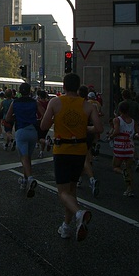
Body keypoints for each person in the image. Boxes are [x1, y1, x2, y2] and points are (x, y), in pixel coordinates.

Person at [40, 73, 103, 241]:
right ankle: (66, 227)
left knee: (62, 192)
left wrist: (56, 118)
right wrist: (85, 128)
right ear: (78, 86)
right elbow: (98, 128)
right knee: (72, 190)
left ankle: (79, 213)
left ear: (64, 86)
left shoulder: (55, 102)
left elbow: (44, 125)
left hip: (62, 150)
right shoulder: (88, 105)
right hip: (79, 150)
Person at [6, 82, 44, 198]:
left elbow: (8, 117)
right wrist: (36, 120)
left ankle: (30, 178)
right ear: (30, 91)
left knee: (24, 157)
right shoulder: (35, 102)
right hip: (33, 131)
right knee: (28, 158)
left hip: (21, 131)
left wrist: (16, 116)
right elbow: (43, 114)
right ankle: (24, 180)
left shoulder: (15, 102)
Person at [109, 101, 139, 197]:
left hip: (120, 147)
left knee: (115, 167)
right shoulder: (133, 121)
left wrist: (111, 136)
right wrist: (134, 135)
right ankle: (129, 188)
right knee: (128, 168)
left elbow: (117, 131)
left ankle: (122, 172)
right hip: (130, 147)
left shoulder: (117, 120)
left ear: (120, 110)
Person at [116, 89, 139, 171]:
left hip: (124, 125)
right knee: (131, 142)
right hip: (133, 124)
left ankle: (130, 161)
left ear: (123, 96)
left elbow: (118, 114)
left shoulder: (122, 104)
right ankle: (134, 160)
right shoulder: (135, 103)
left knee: (125, 143)